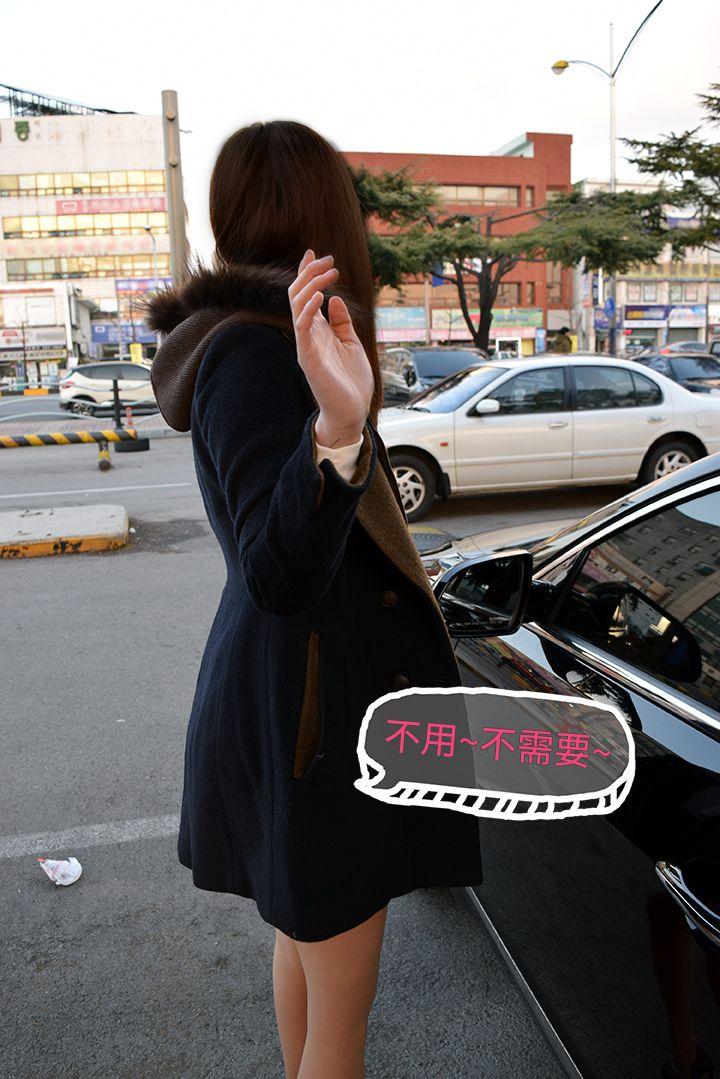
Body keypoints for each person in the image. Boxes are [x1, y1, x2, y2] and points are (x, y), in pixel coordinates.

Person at [143, 120, 483, 1079]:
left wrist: (340, 421)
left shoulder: (262, 341)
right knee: (340, 1030)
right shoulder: (259, 355)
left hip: (297, 701)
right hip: (318, 721)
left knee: (305, 944)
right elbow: (279, 569)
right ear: (330, 216)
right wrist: (337, 427)